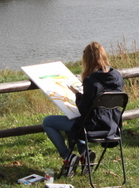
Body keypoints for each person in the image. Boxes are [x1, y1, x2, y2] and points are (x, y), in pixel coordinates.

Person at [43, 42, 124, 178]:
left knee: (48, 121)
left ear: (87, 60)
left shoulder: (91, 80)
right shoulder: (117, 76)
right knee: (77, 122)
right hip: (112, 126)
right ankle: (85, 154)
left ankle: (67, 157)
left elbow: (83, 110)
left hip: (93, 126)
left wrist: (77, 95)